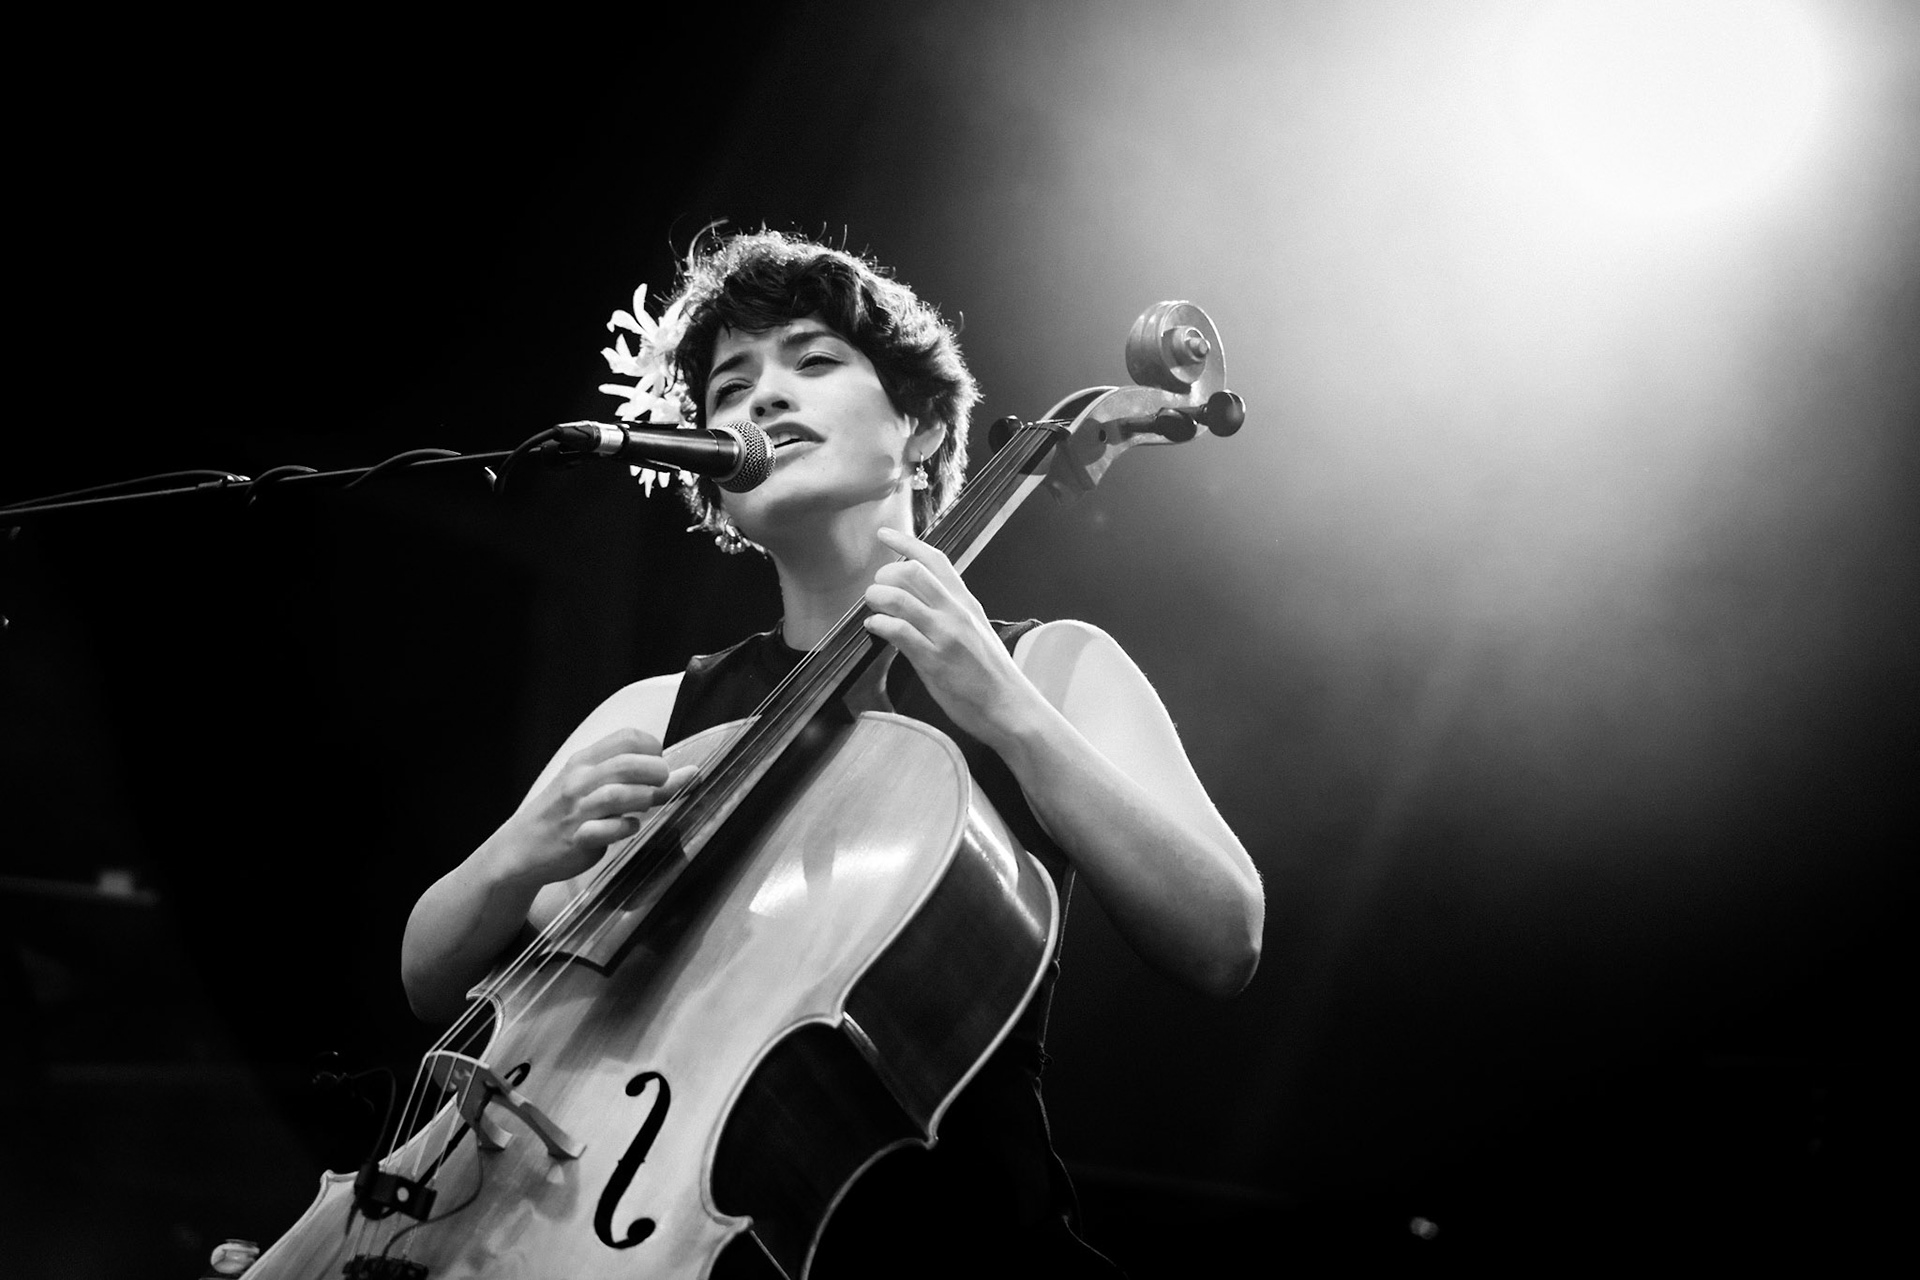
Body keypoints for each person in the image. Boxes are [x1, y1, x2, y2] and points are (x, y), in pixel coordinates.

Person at [401, 230, 1263, 1277]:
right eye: (729, 387)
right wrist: (517, 856)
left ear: (920, 426)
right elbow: (428, 973)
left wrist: (1010, 713)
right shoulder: (658, 711)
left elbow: (1224, 937)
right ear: (714, 481)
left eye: (812, 361)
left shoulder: (1052, 664)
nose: (761, 397)